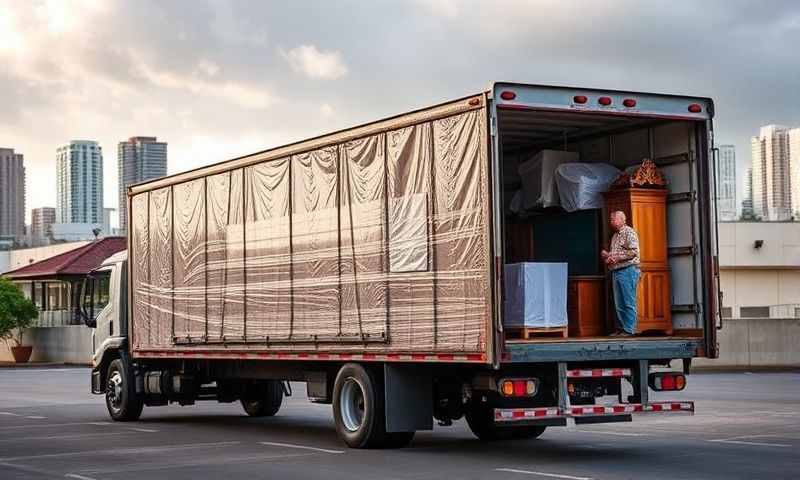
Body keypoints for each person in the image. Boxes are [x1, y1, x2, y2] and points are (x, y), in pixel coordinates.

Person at [601, 211, 641, 336]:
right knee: (618, 302)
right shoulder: (614, 236)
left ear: (623, 219)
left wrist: (617, 258)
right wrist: (608, 256)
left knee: (628, 301)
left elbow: (633, 252)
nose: (611, 221)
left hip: (628, 270)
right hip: (616, 271)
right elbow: (616, 255)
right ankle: (621, 328)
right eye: (611, 219)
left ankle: (629, 329)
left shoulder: (629, 232)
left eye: (614, 219)